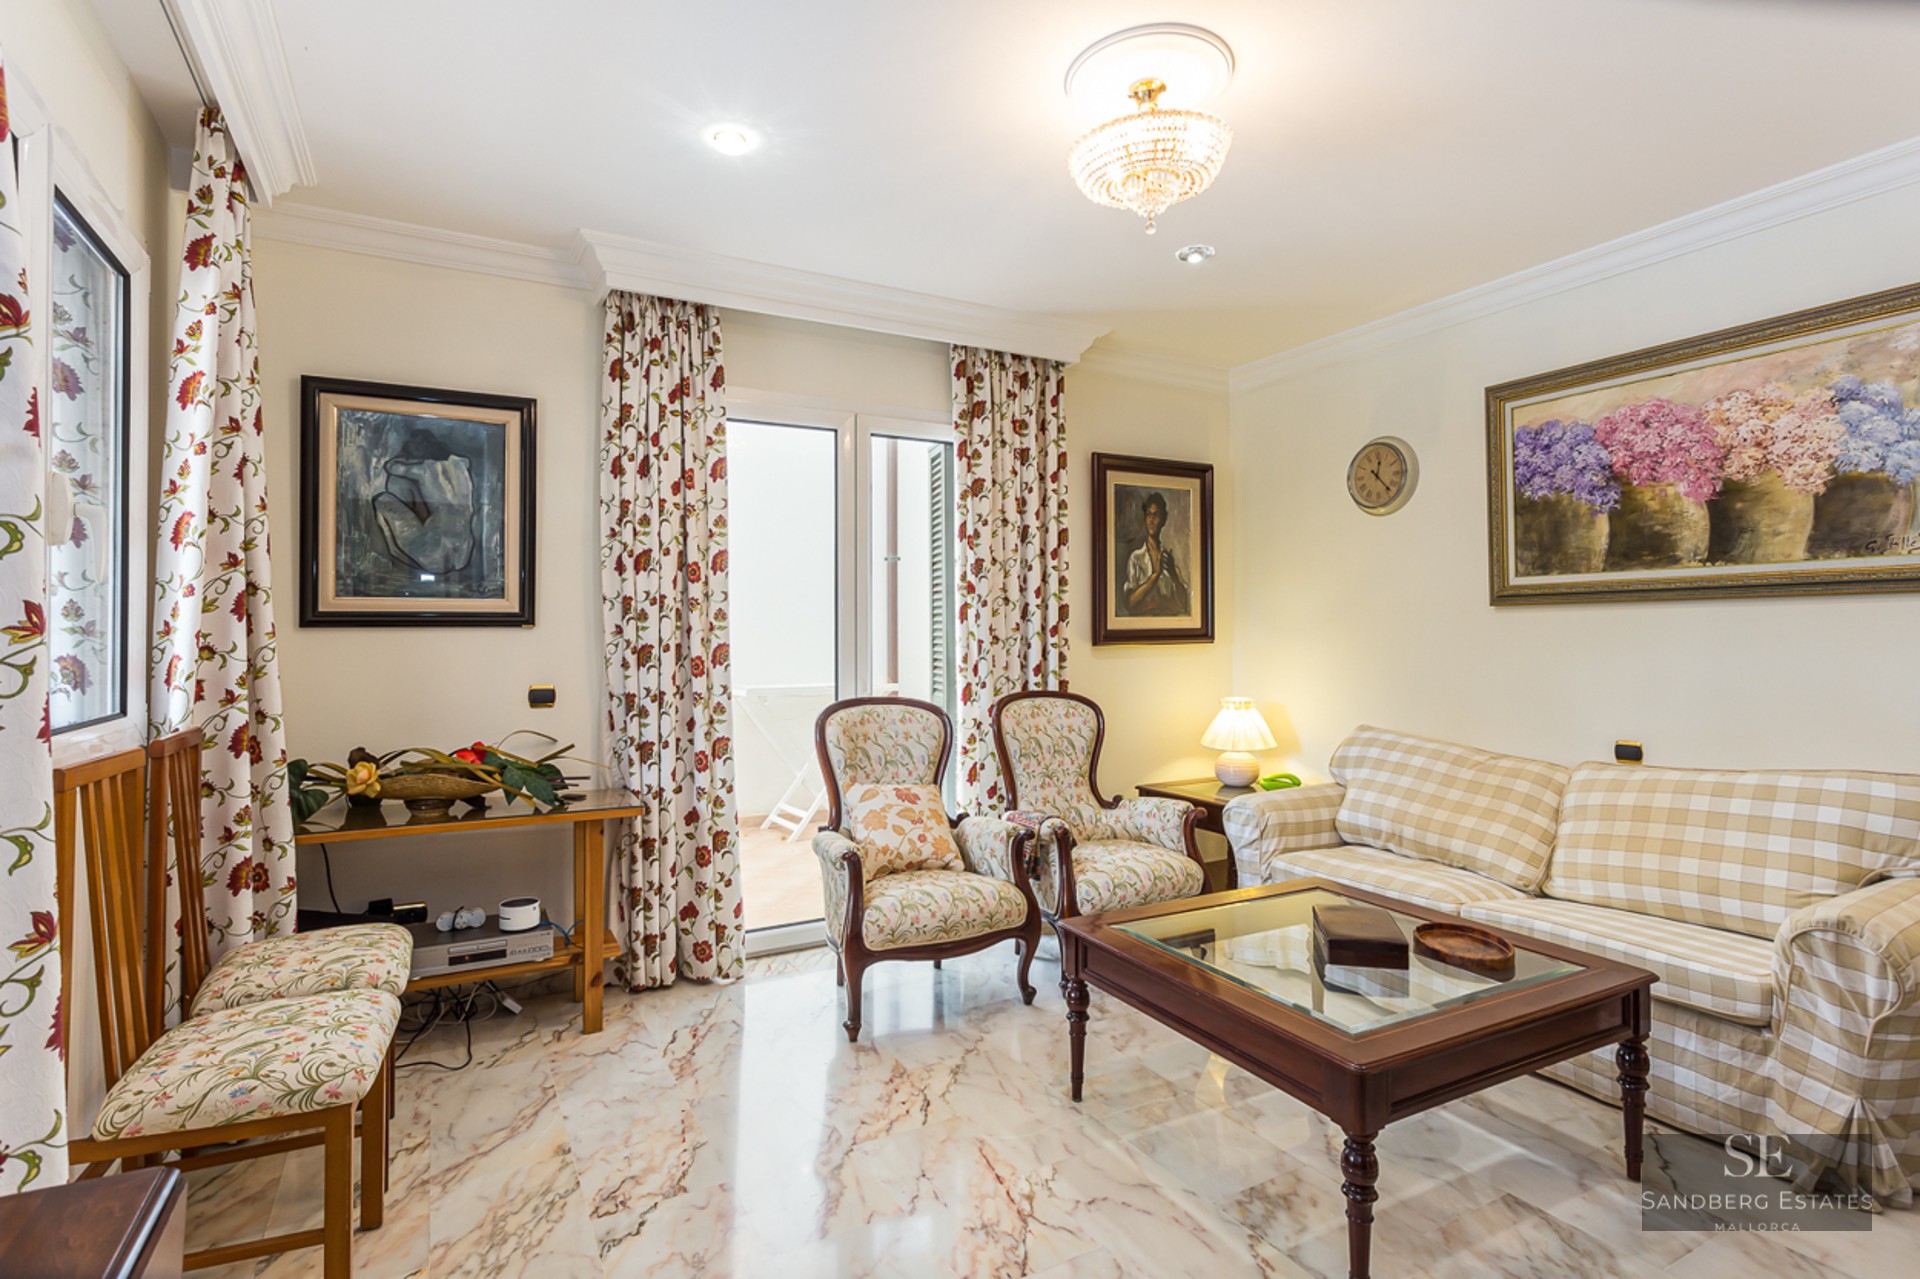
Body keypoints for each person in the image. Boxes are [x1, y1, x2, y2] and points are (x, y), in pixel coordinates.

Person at [1122, 490, 1189, 616]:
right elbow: (1129, 603)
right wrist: (1154, 576)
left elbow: (1184, 604)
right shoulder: (1136, 558)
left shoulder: (1168, 559)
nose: (1151, 520)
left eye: (1156, 515)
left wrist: (1174, 576)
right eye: (1149, 514)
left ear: (1163, 519)